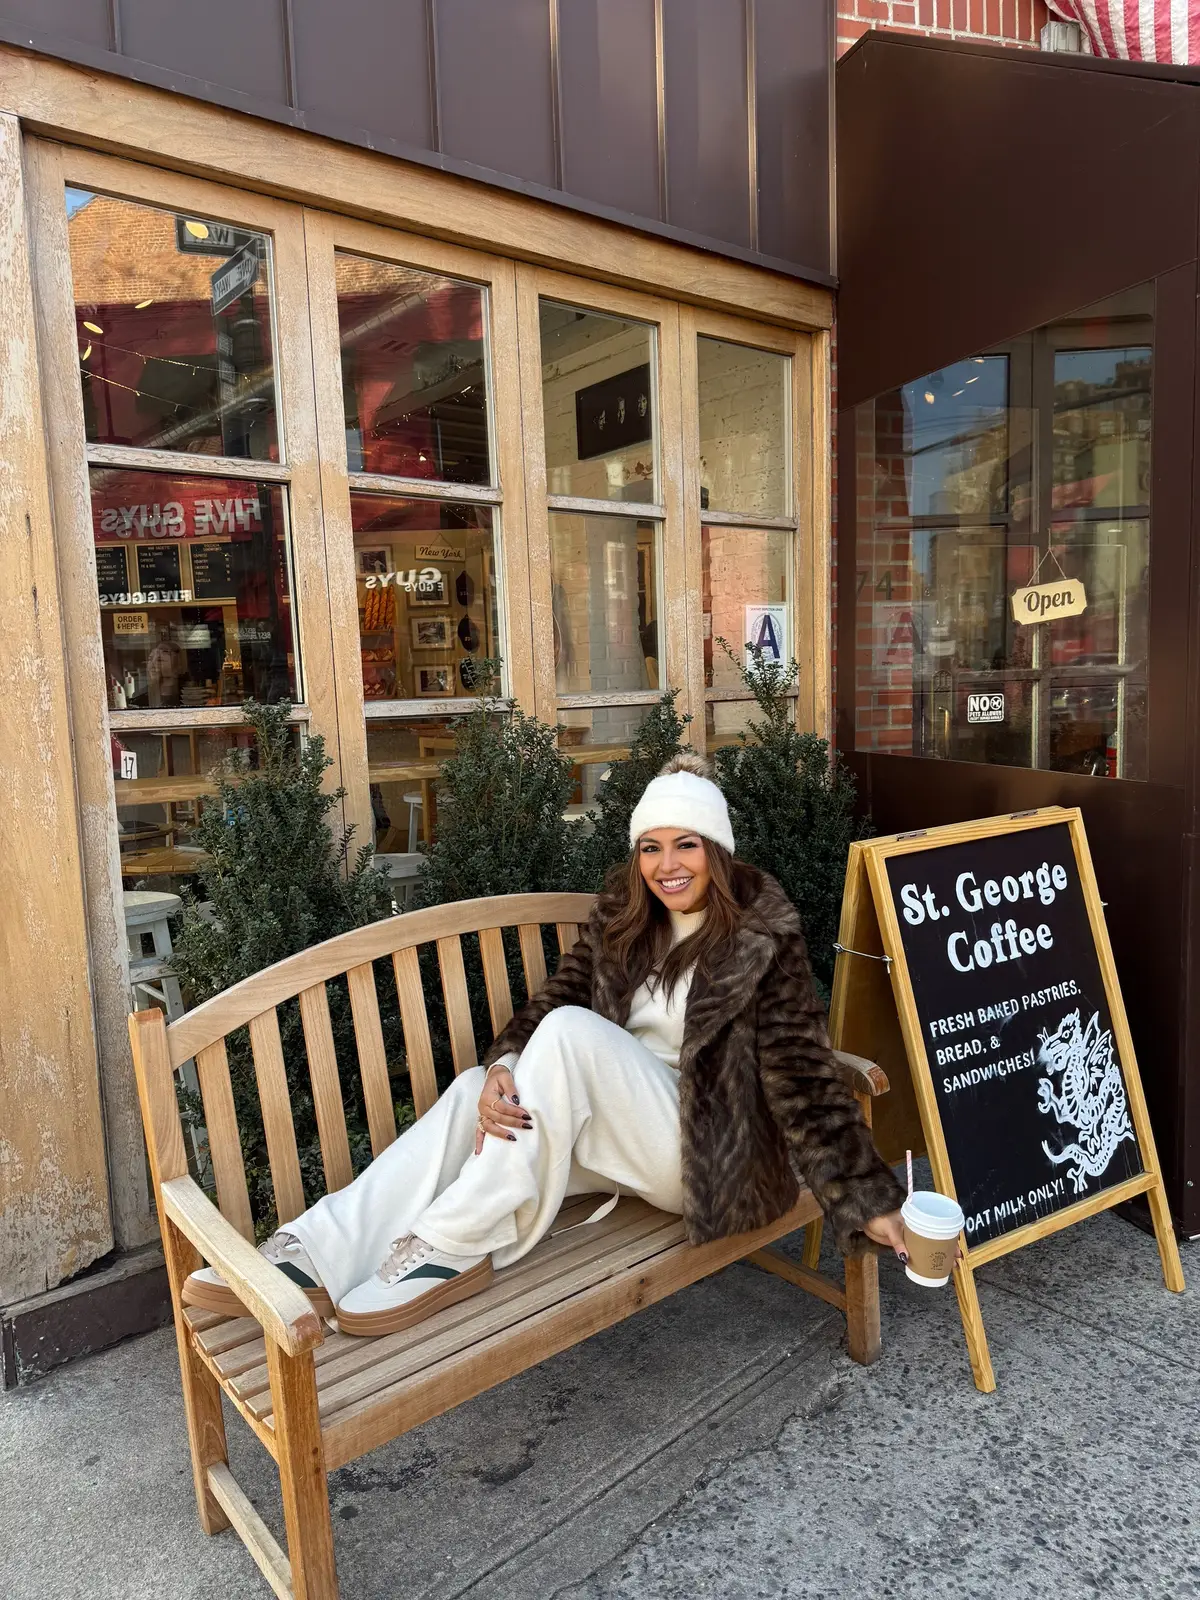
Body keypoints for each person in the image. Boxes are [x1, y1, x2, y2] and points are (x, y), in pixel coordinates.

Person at [183, 754, 907, 1337]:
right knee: (476, 1093)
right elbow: (557, 999)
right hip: (617, 1126)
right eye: (650, 848)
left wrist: (867, 1197)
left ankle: (452, 1247)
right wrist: (502, 1065)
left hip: (709, 1152)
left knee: (568, 1039)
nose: (667, 865)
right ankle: (313, 1254)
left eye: (686, 844)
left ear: (717, 851)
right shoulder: (626, 917)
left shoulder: (760, 935)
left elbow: (805, 1076)